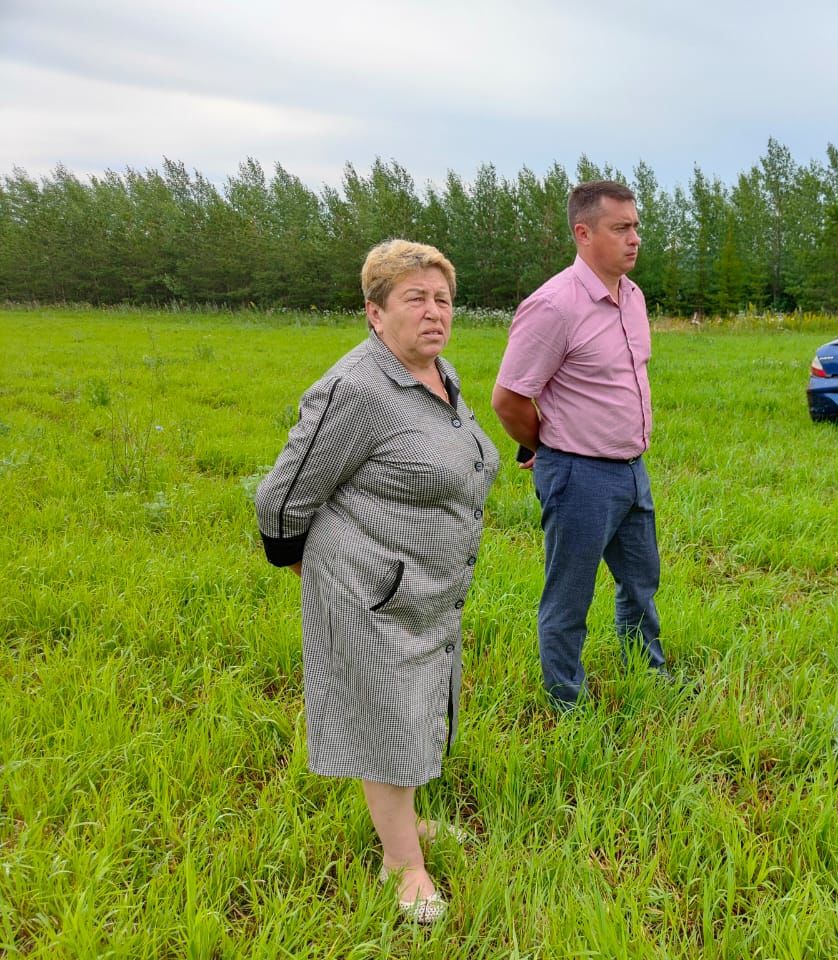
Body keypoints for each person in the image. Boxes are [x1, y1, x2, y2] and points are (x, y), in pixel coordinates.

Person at [254, 239, 498, 924]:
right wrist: (316, 569)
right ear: (374, 311)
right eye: (415, 299)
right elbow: (282, 496)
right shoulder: (355, 389)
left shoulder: (438, 375)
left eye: (443, 299)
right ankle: (403, 864)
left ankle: (407, 824)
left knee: (418, 704)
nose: (434, 312)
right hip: (370, 589)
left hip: (423, 587)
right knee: (387, 714)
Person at [491, 180, 667, 711]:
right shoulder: (554, 306)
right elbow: (508, 399)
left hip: (632, 469)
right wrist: (548, 446)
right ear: (583, 233)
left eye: (636, 226)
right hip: (579, 476)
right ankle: (565, 701)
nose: (634, 238)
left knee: (641, 583)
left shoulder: (632, 299)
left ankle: (647, 673)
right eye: (621, 228)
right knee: (569, 596)